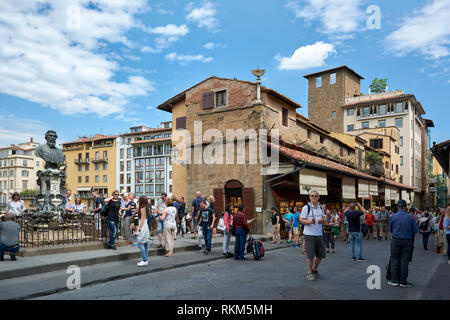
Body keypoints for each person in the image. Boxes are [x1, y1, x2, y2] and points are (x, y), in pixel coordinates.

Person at [388, 200, 418, 288]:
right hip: (407, 241)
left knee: (394, 260)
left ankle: (394, 281)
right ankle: (403, 281)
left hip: (396, 240)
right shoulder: (411, 217)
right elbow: (415, 230)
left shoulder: (393, 217)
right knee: (404, 261)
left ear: (398, 207)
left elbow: (390, 230)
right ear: (406, 207)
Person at [300, 190, 326, 281]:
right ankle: (309, 272)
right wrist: (310, 222)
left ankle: (314, 268)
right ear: (310, 197)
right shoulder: (306, 207)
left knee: (321, 254)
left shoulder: (321, 207)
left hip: (319, 234)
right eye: (312, 196)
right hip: (309, 234)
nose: (314, 197)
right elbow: (302, 220)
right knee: (310, 255)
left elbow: (323, 217)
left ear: (318, 197)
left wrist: (322, 220)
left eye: (316, 196)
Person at [135, 196, 150, 266]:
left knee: (140, 243)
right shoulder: (147, 208)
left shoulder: (142, 209)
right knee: (146, 244)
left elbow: (142, 220)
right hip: (146, 227)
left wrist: (139, 229)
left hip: (143, 227)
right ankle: (145, 260)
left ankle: (144, 260)